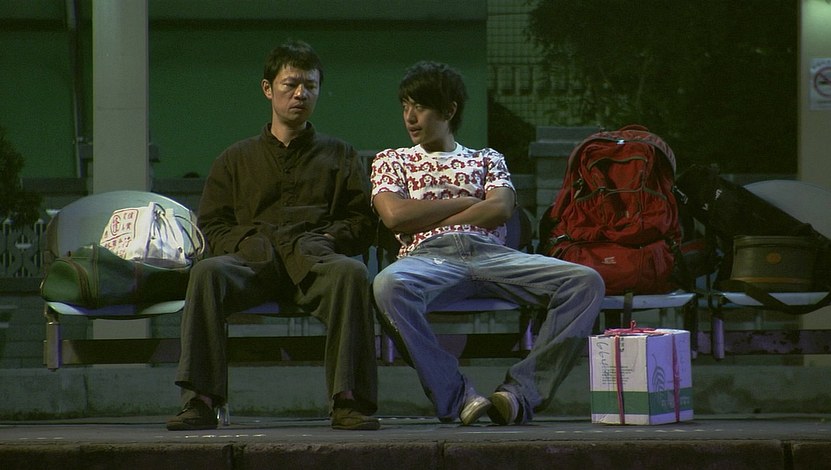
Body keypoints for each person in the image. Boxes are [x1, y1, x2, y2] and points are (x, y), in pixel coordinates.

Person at [370, 61, 605, 426]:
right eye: (405, 106)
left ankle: (519, 394)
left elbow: (499, 209)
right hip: (429, 258)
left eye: (421, 106)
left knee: (585, 282)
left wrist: (427, 217)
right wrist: (466, 202)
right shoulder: (392, 160)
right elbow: (395, 216)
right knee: (387, 286)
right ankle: (457, 395)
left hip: (492, 255)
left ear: (449, 110)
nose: (410, 117)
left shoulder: (486, 158)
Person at [166, 40, 379, 431]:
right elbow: (212, 224)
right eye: (291, 84)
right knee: (207, 273)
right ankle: (200, 400)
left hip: (314, 263)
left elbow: (361, 221)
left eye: (310, 86)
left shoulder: (340, 155)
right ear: (268, 89)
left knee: (351, 273)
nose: (301, 94)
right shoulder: (235, 158)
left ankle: (348, 400)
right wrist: (248, 244)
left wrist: (327, 240)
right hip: (253, 264)